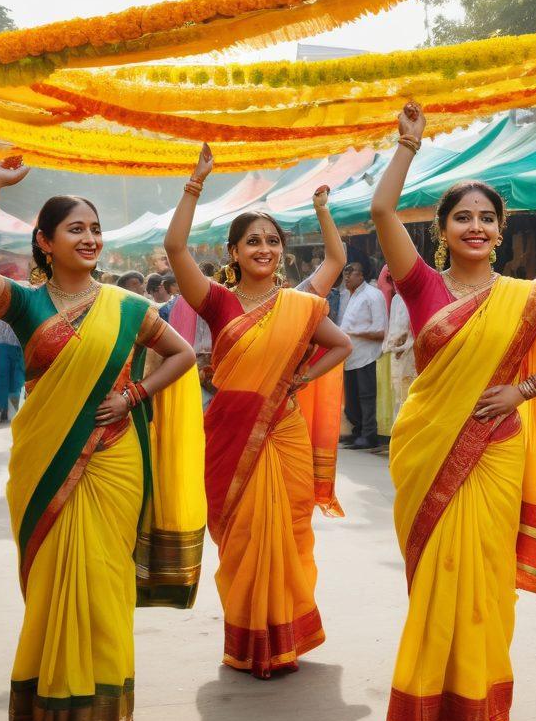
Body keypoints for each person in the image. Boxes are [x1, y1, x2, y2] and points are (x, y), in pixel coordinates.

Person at [373, 102, 536, 721]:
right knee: (436, 578)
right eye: (462, 217)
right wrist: (407, 146)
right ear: (442, 231)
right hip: (427, 447)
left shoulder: (528, 299)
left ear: (501, 232)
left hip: (497, 452)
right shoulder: (419, 286)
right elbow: (384, 212)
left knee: (481, 580)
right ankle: (424, 710)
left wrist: (526, 389)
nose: (475, 226)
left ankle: (474, 711)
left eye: (486, 218)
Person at [0, 157, 204, 721]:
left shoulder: (127, 307)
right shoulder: (25, 304)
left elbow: (182, 355)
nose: (90, 238)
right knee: (52, 580)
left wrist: (135, 395)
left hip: (115, 461)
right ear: (45, 242)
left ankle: (97, 707)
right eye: (75, 229)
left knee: (104, 579)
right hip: (46, 463)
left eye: (95, 229)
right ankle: (53, 701)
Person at [166, 145, 351, 679]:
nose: (264, 248)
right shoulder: (218, 301)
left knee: (289, 532)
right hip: (229, 429)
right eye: (253, 241)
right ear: (234, 251)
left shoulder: (298, 302)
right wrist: (195, 184)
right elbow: (175, 245)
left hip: (284, 432)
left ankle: (286, 636)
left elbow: (337, 336)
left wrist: (322, 211)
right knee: (241, 536)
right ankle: (247, 638)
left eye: (273, 241)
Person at [338, 259, 386, 450]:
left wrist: (353, 334)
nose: (347, 276)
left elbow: (381, 331)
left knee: (366, 397)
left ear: (362, 275)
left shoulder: (372, 295)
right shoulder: (351, 295)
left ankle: (369, 435)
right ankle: (357, 432)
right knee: (352, 399)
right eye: (345, 272)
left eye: (352, 272)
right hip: (351, 355)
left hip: (367, 355)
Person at [382, 280, 416, 422]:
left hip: (411, 351)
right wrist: (392, 347)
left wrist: (404, 346)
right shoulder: (396, 298)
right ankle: (399, 429)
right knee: (397, 393)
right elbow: (393, 326)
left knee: (410, 392)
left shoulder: (415, 295)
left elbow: (414, 326)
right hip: (396, 353)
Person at [0, 309, 26, 422]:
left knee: (17, 377)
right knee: (0, 375)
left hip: (18, 341)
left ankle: (13, 407)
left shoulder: (26, 291)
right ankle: (4, 408)